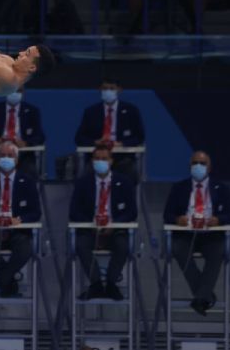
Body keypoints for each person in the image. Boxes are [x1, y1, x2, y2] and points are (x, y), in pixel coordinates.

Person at [163, 150, 230, 316]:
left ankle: (202, 296)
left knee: (218, 250)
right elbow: (167, 215)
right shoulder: (179, 188)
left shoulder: (222, 188)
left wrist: (218, 220)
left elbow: (229, 215)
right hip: (186, 233)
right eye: (195, 163)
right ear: (189, 166)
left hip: (210, 234)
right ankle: (204, 295)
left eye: (203, 163)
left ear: (209, 168)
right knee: (178, 248)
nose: (198, 166)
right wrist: (177, 219)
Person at [69, 145, 137, 300]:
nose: (101, 162)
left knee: (123, 245)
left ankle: (111, 284)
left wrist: (113, 224)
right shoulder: (82, 183)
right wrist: (92, 224)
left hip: (115, 230)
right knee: (80, 244)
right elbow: (73, 212)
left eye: (104, 159)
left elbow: (132, 212)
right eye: (97, 159)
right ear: (92, 161)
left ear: (111, 161)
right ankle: (97, 284)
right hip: (90, 229)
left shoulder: (124, 182)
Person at [0, 141, 41, 296]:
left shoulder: (28, 181)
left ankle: (3, 280)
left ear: (17, 160)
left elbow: (36, 213)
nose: (6, 158)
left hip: (17, 231)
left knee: (26, 250)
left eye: (10, 156)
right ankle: (8, 280)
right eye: (2, 155)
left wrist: (20, 220)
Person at [74, 77, 145, 181]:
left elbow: (139, 137)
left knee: (128, 172)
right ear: (99, 90)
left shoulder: (131, 110)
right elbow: (79, 138)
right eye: (105, 88)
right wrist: (95, 142)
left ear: (119, 90)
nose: (108, 91)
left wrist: (121, 144)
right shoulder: (91, 112)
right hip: (98, 156)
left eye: (111, 88)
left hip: (123, 157)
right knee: (87, 174)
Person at [0, 85, 46, 176]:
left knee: (30, 170)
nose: (15, 94)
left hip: (23, 156)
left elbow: (40, 137)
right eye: (12, 91)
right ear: (6, 92)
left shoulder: (32, 111)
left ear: (23, 93)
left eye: (18, 91)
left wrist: (25, 143)